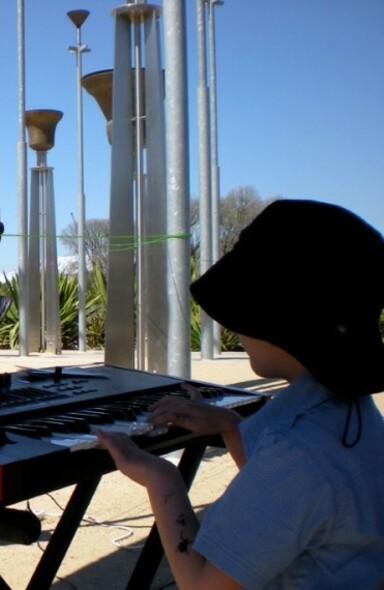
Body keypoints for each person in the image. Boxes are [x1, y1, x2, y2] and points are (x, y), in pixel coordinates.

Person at [98, 200, 384, 590]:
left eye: (244, 315)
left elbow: (201, 583)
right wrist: (232, 428)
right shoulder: (352, 415)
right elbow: (299, 504)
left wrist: (159, 475)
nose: (238, 331)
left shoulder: (297, 455)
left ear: (282, 323)